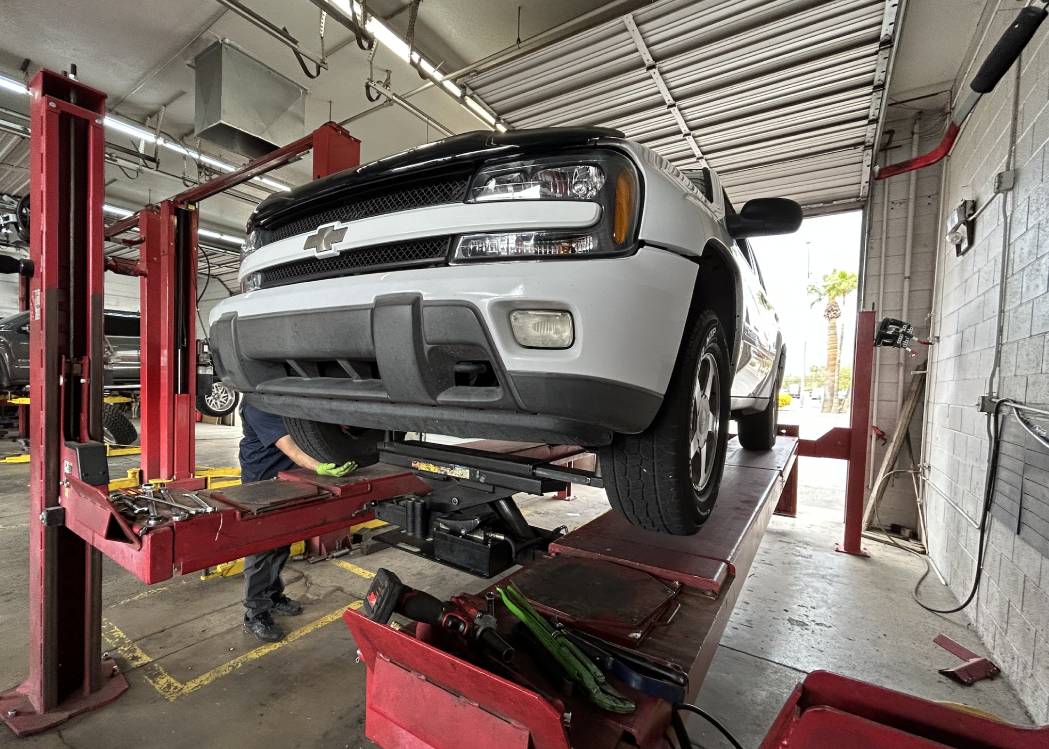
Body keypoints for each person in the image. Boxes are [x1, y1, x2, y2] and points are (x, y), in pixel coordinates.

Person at [238, 402, 357, 642]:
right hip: (262, 487)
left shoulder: (286, 400)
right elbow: (291, 449)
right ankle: (255, 613)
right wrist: (319, 467)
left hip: (287, 482)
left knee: (281, 545)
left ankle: (273, 597)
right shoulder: (258, 406)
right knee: (262, 551)